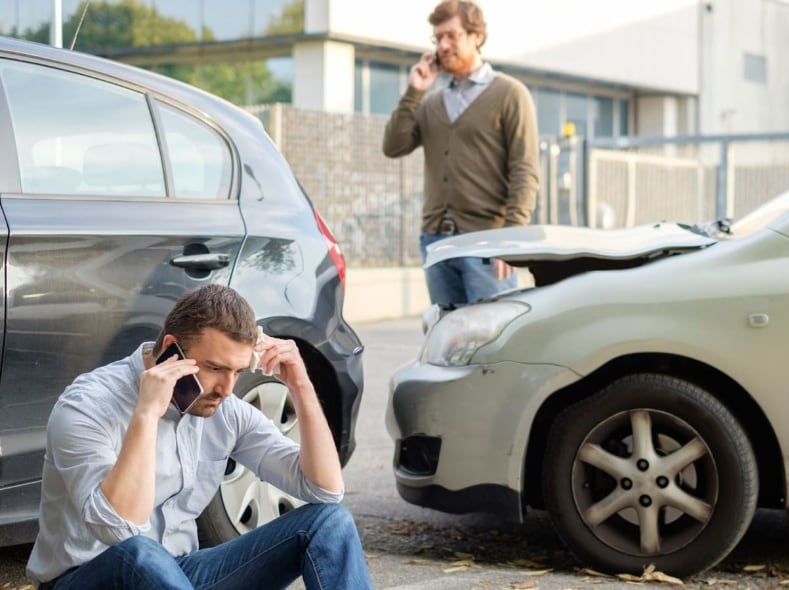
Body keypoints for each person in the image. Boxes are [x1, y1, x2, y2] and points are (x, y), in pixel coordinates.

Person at [26, 284, 373, 590]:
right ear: (171, 350)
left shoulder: (224, 409)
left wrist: (300, 385)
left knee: (330, 520)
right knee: (140, 553)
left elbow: (324, 489)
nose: (227, 388)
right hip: (90, 577)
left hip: (182, 575)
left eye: (237, 371)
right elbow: (118, 529)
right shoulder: (89, 403)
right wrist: (147, 414)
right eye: (215, 368)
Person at [382, 0, 540, 306]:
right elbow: (393, 145)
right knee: (448, 340)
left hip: (488, 241)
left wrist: (511, 238)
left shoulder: (510, 94)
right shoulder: (431, 103)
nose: (443, 45)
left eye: (452, 36)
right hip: (435, 241)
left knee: (493, 338)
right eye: (437, 38)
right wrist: (416, 90)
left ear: (476, 36)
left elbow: (525, 170)